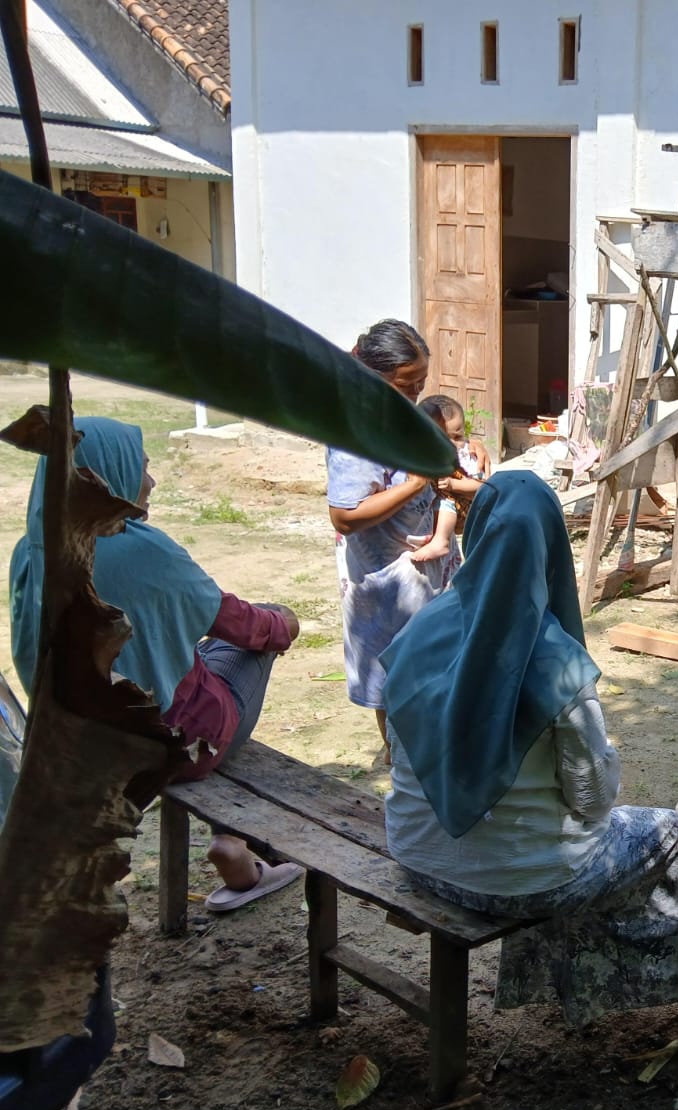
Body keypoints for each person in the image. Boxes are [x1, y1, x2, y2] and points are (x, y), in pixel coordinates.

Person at [379, 471, 678, 1042]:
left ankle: (569, 980)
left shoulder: (422, 629)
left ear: (476, 535)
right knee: (673, 836)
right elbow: (593, 800)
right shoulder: (555, 662)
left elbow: (392, 739)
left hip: (416, 854)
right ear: (552, 548)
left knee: (555, 835)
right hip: (525, 882)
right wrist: (602, 760)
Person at [9, 417, 303, 911]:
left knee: (190, 657)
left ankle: (233, 845)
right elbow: (243, 625)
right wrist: (286, 623)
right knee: (246, 646)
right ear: (107, 474)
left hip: (81, 745)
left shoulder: (32, 549)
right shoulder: (141, 550)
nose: (150, 480)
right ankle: (231, 843)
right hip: (171, 746)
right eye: (141, 467)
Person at [326, 320, 486, 759]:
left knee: (437, 667)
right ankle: (400, 758)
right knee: (392, 674)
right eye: (405, 385)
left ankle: (431, 756)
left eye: (421, 384)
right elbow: (344, 516)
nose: (415, 395)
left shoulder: (401, 414)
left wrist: (468, 447)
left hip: (432, 568)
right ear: (372, 376)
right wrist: (416, 483)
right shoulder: (355, 431)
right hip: (387, 579)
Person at [410, 395, 485, 560]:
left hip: (462, 506)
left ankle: (441, 540)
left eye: (458, 437)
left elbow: (480, 485)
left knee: (444, 502)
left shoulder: (466, 455)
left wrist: (454, 485)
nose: (452, 444)